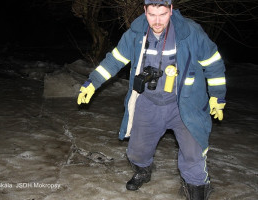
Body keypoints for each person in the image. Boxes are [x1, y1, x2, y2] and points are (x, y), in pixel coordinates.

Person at [77, 0, 226, 199]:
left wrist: (218, 96)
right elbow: (115, 60)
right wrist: (92, 82)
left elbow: (213, 64)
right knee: (137, 151)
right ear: (145, 11)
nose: (157, 21)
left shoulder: (190, 32)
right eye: (152, 14)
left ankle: (197, 186)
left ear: (171, 10)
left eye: (163, 14)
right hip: (148, 102)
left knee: (193, 153)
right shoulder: (136, 34)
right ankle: (143, 171)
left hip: (185, 104)